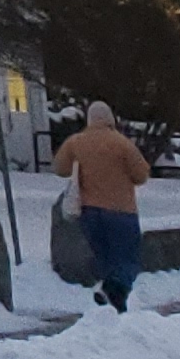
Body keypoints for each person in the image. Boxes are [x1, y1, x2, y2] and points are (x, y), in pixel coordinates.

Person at [53, 99, 153, 310]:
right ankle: (112, 291)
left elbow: (60, 168)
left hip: (89, 212)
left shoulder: (75, 142)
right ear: (110, 119)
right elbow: (141, 175)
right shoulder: (121, 143)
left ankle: (113, 307)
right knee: (128, 260)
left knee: (105, 258)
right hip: (121, 211)